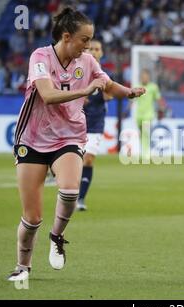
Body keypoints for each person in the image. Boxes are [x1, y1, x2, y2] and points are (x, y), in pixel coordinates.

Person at [8, 7, 145, 282]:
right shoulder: (40, 57)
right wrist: (84, 91)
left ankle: (57, 236)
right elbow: (46, 95)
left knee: (70, 190)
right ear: (67, 36)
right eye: (85, 40)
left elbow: (106, 84)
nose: (88, 46)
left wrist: (127, 92)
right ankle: (23, 267)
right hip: (32, 140)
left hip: (68, 136)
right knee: (32, 217)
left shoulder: (88, 62)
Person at [76, 39, 109, 211]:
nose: (95, 52)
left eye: (98, 49)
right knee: (73, 161)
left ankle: (80, 199)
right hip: (75, 123)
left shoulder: (104, 74)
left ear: (102, 53)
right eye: (92, 49)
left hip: (95, 123)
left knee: (88, 160)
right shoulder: (78, 71)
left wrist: (106, 93)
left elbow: (110, 94)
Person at [132, 69, 166, 160]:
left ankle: (145, 154)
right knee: (141, 134)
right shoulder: (137, 86)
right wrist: (127, 109)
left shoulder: (153, 87)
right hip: (138, 115)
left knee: (146, 134)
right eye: (143, 77)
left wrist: (162, 108)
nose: (144, 78)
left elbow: (158, 98)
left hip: (148, 114)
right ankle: (144, 151)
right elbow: (132, 99)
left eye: (146, 77)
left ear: (149, 77)